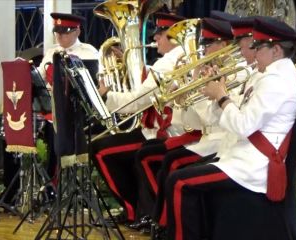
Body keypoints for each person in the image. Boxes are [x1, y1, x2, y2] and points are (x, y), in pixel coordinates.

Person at [165, 16, 296, 240]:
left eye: (259, 48)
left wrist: (221, 96)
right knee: (179, 177)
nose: (254, 53)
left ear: (276, 50)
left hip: (252, 167)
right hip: (241, 157)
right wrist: (217, 95)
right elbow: (229, 116)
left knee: (179, 182)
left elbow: (243, 125)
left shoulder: (277, 81)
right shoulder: (266, 76)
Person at [133, 16, 243, 233]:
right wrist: (183, 98)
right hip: (206, 138)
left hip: (221, 141)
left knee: (172, 164)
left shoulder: (236, 71)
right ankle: (162, 222)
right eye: (203, 44)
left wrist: (197, 88)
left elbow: (217, 120)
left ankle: (165, 224)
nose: (204, 50)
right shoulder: (213, 70)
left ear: (224, 44)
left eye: (209, 44)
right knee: (164, 160)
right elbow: (193, 122)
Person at [91, 12, 187, 225]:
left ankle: (134, 210)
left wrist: (106, 95)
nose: (154, 39)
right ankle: (141, 209)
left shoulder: (167, 64)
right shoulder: (178, 59)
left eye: (160, 35)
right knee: (109, 147)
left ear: (173, 37)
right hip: (169, 131)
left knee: (100, 150)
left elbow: (136, 102)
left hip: (164, 133)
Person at [38, 13, 99, 179]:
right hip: (53, 110)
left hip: (78, 112)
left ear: (77, 32)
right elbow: (40, 78)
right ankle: (51, 180)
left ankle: (65, 177)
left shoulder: (89, 52)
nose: (59, 36)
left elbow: (95, 86)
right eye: (57, 32)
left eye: (64, 32)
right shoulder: (52, 52)